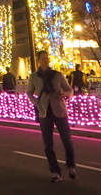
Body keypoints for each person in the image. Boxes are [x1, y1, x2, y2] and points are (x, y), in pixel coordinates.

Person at [26, 50, 76, 182]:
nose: (46, 60)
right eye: (43, 58)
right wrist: (36, 103)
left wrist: (66, 94)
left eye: (47, 58)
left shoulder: (57, 75)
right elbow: (29, 92)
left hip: (59, 110)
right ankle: (55, 171)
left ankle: (71, 165)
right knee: (48, 145)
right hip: (44, 111)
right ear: (38, 60)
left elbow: (69, 89)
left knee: (67, 141)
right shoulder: (34, 77)